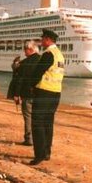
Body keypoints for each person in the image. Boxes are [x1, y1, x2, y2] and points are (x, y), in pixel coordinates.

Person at [29, 29, 65, 165]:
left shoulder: (48, 54)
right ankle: (47, 152)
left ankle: (39, 155)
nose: (41, 41)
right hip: (56, 93)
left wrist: (30, 86)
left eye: (43, 39)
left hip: (44, 92)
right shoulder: (60, 55)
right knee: (48, 124)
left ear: (48, 40)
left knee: (38, 123)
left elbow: (38, 72)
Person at [14, 40, 41, 146]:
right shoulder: (42, 61)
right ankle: (38, 139)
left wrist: (16, 94)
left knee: (28, 117)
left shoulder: (24, 63)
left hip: (27, 94)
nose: (24, 52)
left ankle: (29, 139)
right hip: (40, 94)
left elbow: (19, 80)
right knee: (38, 117)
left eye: (25, 49)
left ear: (30, 49)